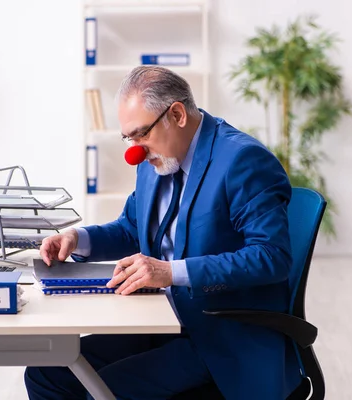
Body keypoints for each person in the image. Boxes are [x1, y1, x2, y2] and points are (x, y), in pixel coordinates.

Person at [24, 66, 302, 400]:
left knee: (101, 391)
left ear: (177, 114)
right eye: (129, 138)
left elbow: (271, 256)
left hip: (221, 337)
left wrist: (170, 272)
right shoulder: (156, 159)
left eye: (141, 134)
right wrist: (77, 238)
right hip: (163, 318)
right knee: (47, 373)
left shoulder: (242, 160)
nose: (135, 151)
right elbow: (132, 227)